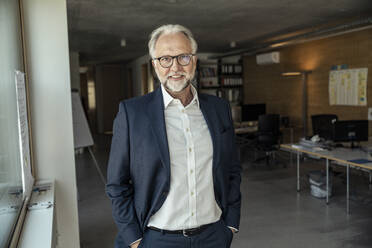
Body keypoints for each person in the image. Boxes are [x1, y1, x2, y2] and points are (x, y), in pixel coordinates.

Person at [106, 24, 241, 248]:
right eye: (165, 59)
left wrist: (231, 224)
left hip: (213, 236)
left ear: (194, 61)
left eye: (183, 57)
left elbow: (232, 168)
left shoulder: (219, 109)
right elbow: (116, 183)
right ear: (155, 65)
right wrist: (134, 238)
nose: (175, 67)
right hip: (157, 239)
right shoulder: (132, 113)